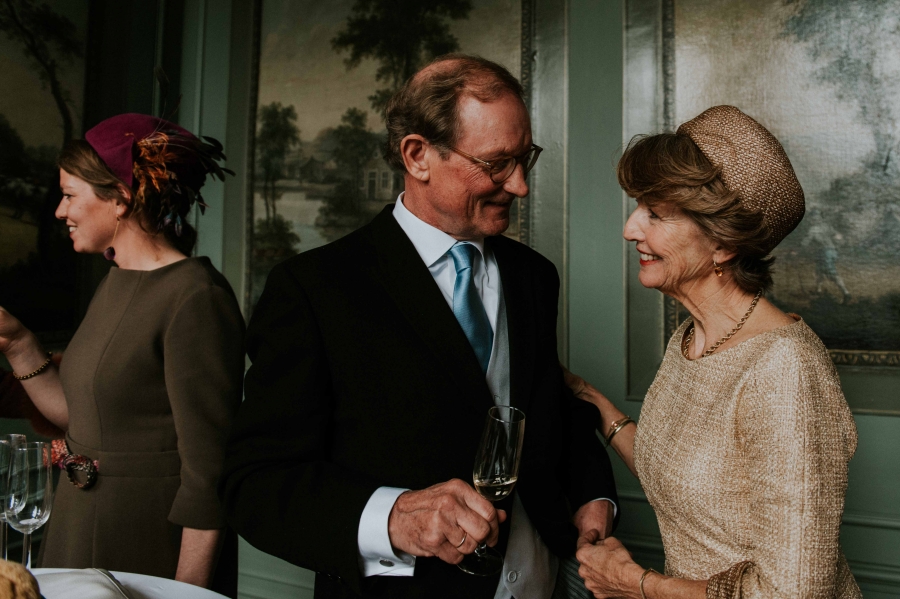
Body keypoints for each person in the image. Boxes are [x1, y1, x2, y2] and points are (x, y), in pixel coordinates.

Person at [221, 54, 618, 599]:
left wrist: (595, 492)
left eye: (526, 159)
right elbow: (256, 486)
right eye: (497, 164)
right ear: (417, 155)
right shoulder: (313, 289)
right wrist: (394, 518)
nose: (521, 186)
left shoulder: (534, 277)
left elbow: (548, 406)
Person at [566, 105, 861, 599]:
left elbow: (795, 592)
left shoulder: (784, 369)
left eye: (655, 213)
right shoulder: (690, 337)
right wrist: (596, 404)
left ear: (722, 243)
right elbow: (689, 481)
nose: (630, 228)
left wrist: (636, 584)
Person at [0, 114, 244, 597]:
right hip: (77, 527)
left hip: (146, 546)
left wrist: (186, 592)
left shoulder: (195, 296)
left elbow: (209, 471)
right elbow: (81, 415)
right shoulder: (116, 280)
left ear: (120, 196)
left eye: (70, 194)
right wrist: (18, 343)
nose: (59, 210)